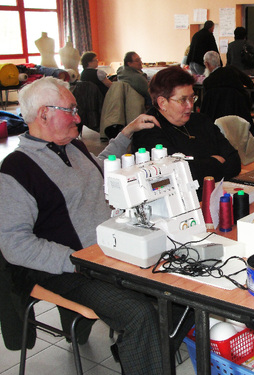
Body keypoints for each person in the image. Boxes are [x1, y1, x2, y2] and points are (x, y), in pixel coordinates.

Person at [0, 77, 195, 373]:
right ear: (43, 114)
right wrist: (77, 261)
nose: (79, 118)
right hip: (65, 268)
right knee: (139, 314)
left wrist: (126, 132)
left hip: (105, 254)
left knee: (186, 292)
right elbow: (14, 244)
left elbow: (101, 167)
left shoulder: (73, 147)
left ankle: (139, 349)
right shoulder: (16, 170)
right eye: (71, 110)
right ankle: (142, 348)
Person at [132, 66, 241, 200]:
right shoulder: (148, 132)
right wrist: (215, 161)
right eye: (183, 100)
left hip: (215, 197)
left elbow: (234, 162)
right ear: (162, 103)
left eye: (192, 98)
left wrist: (200, 166)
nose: (190, 105)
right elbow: (178, 175)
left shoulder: (201, 121)